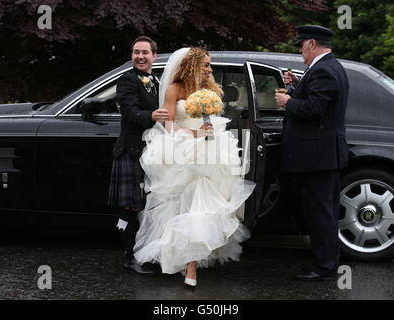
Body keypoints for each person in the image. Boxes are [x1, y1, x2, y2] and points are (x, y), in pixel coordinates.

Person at [133, 47, 255, 287]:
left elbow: (210, 118)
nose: (210, 69)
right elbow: (167, 123)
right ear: (192, 66)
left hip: (211, 149)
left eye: (210, 65)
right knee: (187, 206)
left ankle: (193, 261)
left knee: (206, 204)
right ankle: (188, 264)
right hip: (183, 148)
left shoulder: (209, 90)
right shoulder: (174, 89)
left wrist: (206, 130)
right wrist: (192, 132)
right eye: (206, 65)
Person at [275, 25, 349, 281]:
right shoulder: (328, 67)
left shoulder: (323, 70)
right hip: (323, 155)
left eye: (300, 46)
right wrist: (298, 84)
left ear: (311, 44)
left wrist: (288, 102)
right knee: (323, 212)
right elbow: (321, 102)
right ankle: (326, 263)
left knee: (321, 214)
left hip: (318, 157)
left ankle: (325, 267)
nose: (299, 51)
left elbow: (315, 109)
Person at [108, 36, 171, 275]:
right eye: (136, 52)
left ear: (155, 56)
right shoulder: (127, 80)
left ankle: (143, 252)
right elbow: (131, 113)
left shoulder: (155, 80)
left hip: (149, 151)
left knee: (144, 206)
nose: (140, 56)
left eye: (145, 52)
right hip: (131, 151)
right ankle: (127, 258)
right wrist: (153, 115)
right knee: (129, 207)